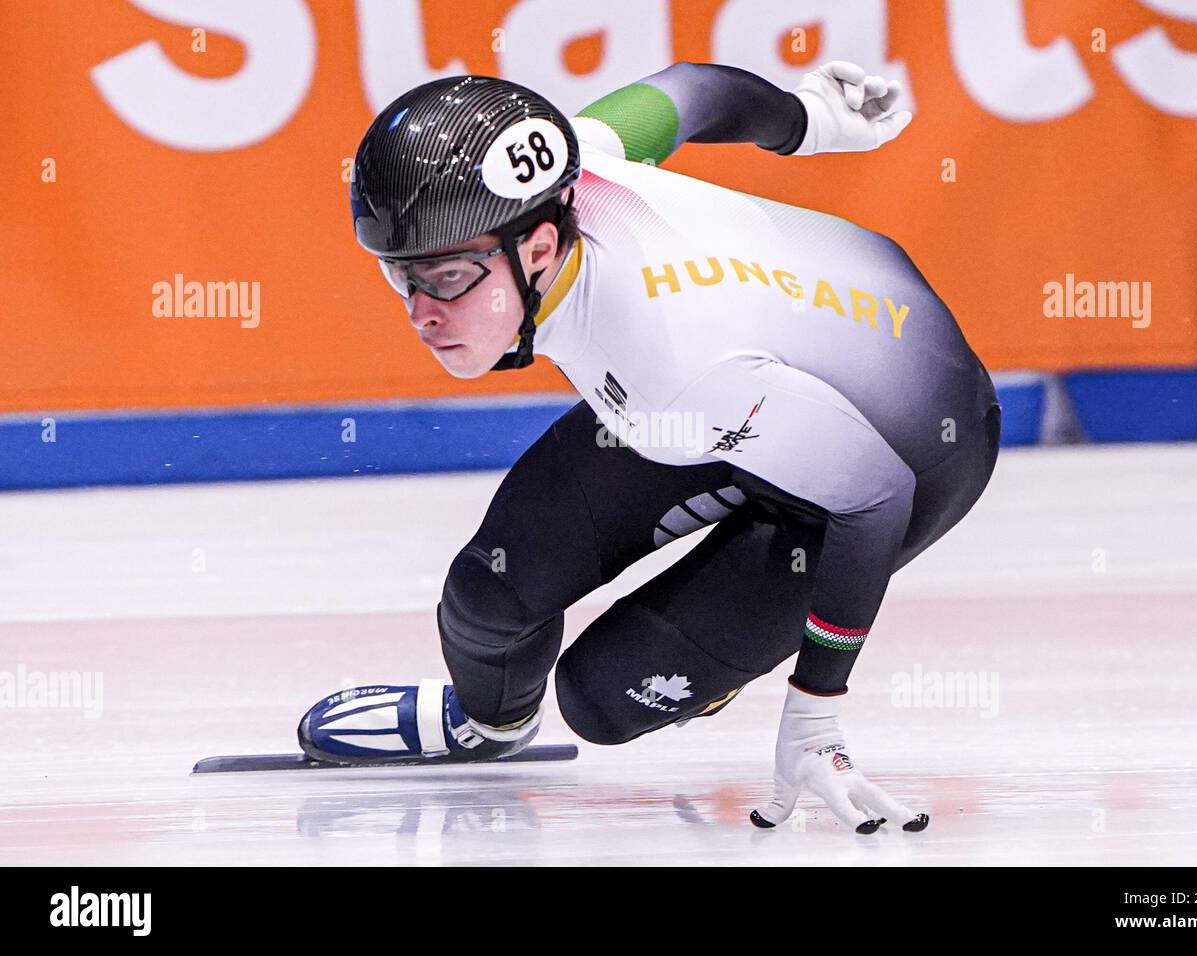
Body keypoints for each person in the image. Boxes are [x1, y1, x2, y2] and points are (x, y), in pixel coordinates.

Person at [299, 61, 1001, 835]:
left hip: (913, 451)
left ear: (536, 249)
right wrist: (809, 119)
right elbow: (695, 90)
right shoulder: (573, 160)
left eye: (451, 277)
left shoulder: (670, 361)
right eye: (403, 279)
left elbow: (876, 495)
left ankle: (731, 656)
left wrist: (817, 709)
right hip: (748, 384)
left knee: (598, 700)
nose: (422, 313)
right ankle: (489, 727)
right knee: (487, 602)